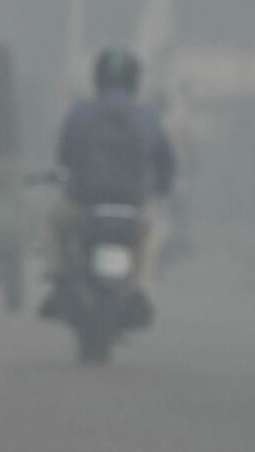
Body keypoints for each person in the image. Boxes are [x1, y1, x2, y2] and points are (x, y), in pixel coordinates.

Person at [39, 49, 175, 323]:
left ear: (97, 78)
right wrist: (161, 188)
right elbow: (166, 161)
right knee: (153, 235)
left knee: (53, 221)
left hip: (82, 203)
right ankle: (140, 291)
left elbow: (64, 156)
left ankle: (58, 281)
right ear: (135, 81)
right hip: (133, 207)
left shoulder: (81, 112)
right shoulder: (147, 117)